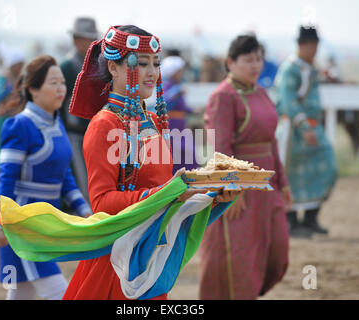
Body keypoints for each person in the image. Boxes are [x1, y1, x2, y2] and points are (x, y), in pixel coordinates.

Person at [61, 25, 239, 300]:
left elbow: (167, 194)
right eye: (141, 64)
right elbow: (102, 203)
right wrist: (169, 193)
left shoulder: (154, 122)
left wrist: (215, 196)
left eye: (156, 64)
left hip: (150, 255)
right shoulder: (104, 125)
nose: (152, 72)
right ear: (114, 67)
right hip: (116, 260)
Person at [200, 34, 292, 300]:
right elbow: (219, 147)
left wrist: (283, 182)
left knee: (277, 249)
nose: (255, 65)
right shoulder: (223, 97)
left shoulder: (260, 92)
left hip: (267, 187)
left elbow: (271, 141)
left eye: (259, 58)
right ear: (230, 62)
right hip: (238, 192)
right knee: (239, 258)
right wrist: (231, 187)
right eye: (248, 59)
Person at [0, 55, 92, 299]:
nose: (61, 89)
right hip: (23, 226)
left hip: (45, 224)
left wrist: (85, 210)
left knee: (21, 292)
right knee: (60, 293)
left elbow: (64, 176)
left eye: (62, 83)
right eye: (53, 83)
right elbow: (7, 180)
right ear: (33, 89)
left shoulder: (57, 124)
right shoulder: (19, 125)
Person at [274, 25, 337, 237]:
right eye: (312, 45)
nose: (315, 50)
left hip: (312, 126)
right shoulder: (291, 69)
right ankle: (292, 221)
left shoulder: (309, 67)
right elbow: (288, 100)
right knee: (290, 174)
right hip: (295, 130)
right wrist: (302, 124)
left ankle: (310, 218)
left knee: (326, 167)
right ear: (303, 45)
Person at [60, 17, 99, 201]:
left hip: (96, 134)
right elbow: (59, 104)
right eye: (87, 39)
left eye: (93, 39)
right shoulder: (67, 67)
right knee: (82, 184)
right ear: (75, 39)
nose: (92, 43)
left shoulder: (98, 65)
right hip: (74, 134)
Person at [0, 43, 25, 173]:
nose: (20, 67)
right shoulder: (3, 78)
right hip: (3, 116)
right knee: (0, 143)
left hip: (16, 116)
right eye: (18, 64)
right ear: (12, 64)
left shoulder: (21, 79)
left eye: (21, 65)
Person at [161, 55, 197, 174]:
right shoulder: (166, 86)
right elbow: (164, 103)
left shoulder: (177, 87)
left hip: (181, 129)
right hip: (172, 128)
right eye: (180, 71)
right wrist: (176, 93)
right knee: (177, 155)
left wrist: (192, 110)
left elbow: (182, 108)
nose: (182, 74)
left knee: (188, 155)